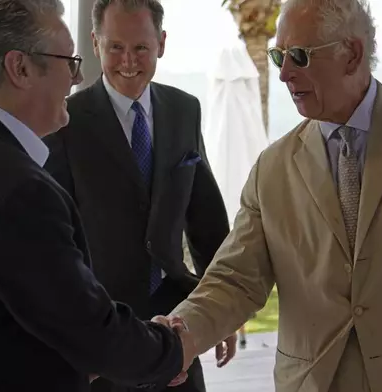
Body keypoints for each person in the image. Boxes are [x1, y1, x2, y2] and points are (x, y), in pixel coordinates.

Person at [163, 0, 382, 391]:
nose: (283, 74)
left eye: (299, 56)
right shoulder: (272, 168)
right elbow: (235, 280)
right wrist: (178, 335)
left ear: (352, 54)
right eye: (279, 56)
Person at [0, 1, 196, 391]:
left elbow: (12, 327)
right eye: (69, 61)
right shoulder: (15, 187)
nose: (78, 79)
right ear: (21, 68)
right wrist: (173, 348)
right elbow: (87, 331)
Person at [43, 1, 235, 391]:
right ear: (95, 44)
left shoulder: (185, 109)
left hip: (178, 321)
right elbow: (51, 240)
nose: (128, 61)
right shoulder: (63, 121)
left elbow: (206, 221)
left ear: (161, 43)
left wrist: (222, 309)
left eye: (141, 48)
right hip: (103, 330)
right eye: (115, 47)